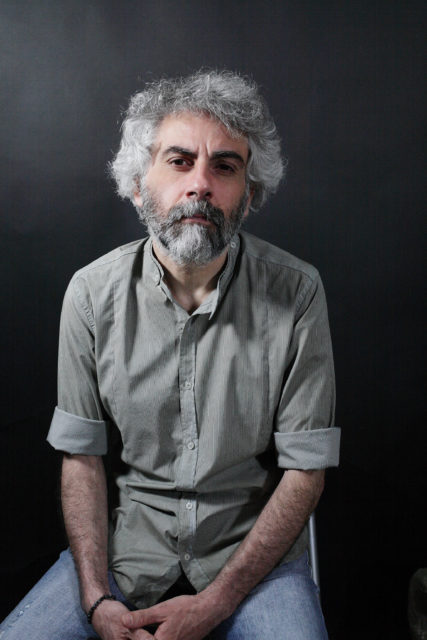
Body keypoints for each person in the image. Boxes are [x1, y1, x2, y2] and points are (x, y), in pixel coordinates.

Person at [0, 70, 340, 640]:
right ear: (138, 185)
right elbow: (81, 459)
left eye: (225, 167)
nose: (200, 185)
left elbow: (305, 472)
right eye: (179, 161)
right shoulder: (90, 295)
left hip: (254, 563)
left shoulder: (298, 293)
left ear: (249, 196)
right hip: (128, 553)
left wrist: (215, 603)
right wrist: (96, 599)